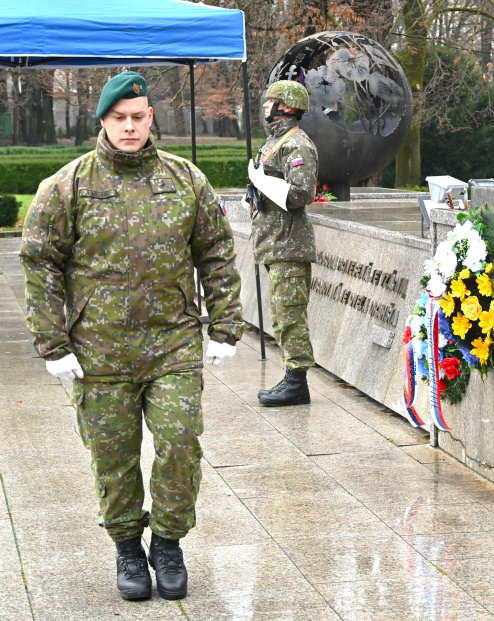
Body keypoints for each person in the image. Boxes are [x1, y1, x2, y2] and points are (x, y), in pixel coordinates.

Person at [20, 72, 244, 602]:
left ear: (150, 119)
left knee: (180, 442)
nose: (129, 127)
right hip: (100, 352)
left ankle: (167, 542)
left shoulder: (185, 180)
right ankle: (126, 545)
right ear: (102, 120)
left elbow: (216, 252)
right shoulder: (66, 187)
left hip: (173, 345)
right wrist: (53, 345)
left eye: (137, 117)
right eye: (118, 118)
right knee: (113, 456)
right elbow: (41, 265)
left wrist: (226, 325)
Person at [249, 80, 319, 408]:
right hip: (275, 242)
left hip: (288, 245)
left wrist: (263, 182)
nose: (266, 107)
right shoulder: (275, 142)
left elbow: (302, 193)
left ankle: (297, 384)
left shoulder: (297, 144)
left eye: (271, 102)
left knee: (289, 315)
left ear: (287, 107)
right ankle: (291, 377)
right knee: (280, 315)